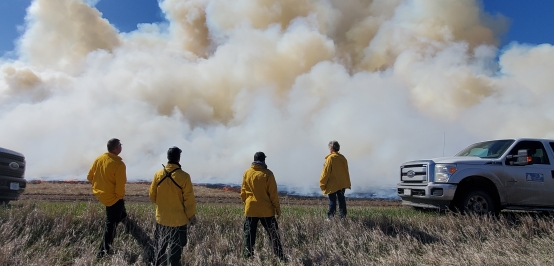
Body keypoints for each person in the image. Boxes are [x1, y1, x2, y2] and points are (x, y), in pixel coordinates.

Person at [149, 146, 197, 266]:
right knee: (177, 246)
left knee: (160, 245)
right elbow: (189, 200)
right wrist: (191, 216)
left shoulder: (158, 174)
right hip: (179, 220)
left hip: (162, 218)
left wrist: (162, 205)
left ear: (168, 157)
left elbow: (152, 195)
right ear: (178, 158)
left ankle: (157, 263)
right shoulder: (185, 177)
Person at [87, 138, 128, 258]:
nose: (121, 146)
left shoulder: (99, 159)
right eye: (120, 145)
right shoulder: (119, 164)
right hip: (113, 199)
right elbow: (120, 187)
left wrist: (101, 185)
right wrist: (119, 197)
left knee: (121, 213)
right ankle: (102, 252)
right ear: (116, 148)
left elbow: (90, 176)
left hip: (101, 194)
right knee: (111, 225)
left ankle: (124, 219)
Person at [241, 151, 284, 260]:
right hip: (266, 211)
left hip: (251, 210)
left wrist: (247, 203)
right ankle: (279, 258)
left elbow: (243, 192)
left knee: (249, 236)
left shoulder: (247, 173)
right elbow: (273, 194)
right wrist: (277, 209)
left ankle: (247, 258)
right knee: (274, 235)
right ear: (264, 160)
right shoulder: (268, 174)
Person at [319, 140, 351, 219]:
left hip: (332, 184)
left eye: (329, 147)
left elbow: (325, 172)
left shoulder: (330, 158)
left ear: (331, 148)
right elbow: (346, 171)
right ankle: (342, 217)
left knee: (332, 201)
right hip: (342, 183)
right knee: (341, 200)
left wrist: (322, 183)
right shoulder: (343, 158)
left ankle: (331, 218)